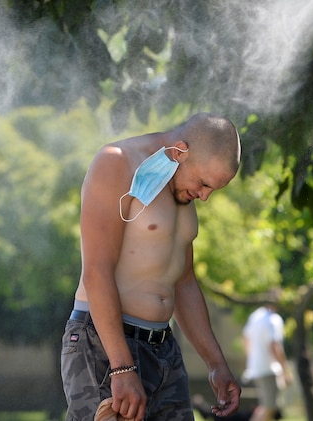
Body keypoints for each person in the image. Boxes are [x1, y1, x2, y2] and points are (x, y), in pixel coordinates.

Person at [61, 113, 243, 421]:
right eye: (203, 184)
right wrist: (122, 366)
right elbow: (97, 271)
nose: (205, 197)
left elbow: (183, 282)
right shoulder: (116, 162)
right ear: (180, 151)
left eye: (214, 189)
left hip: (163, 348)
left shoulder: (182, 187)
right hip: (104, 344)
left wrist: (216, 364)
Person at [242, 299, 291, 421]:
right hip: (268, 369)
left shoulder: (255, 315)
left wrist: (252, 359)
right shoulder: (273, 319)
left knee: (266, 407)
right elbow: (274, 346)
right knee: (270, 408)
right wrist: (286, 371)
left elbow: (246, 339)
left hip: (256, 367)